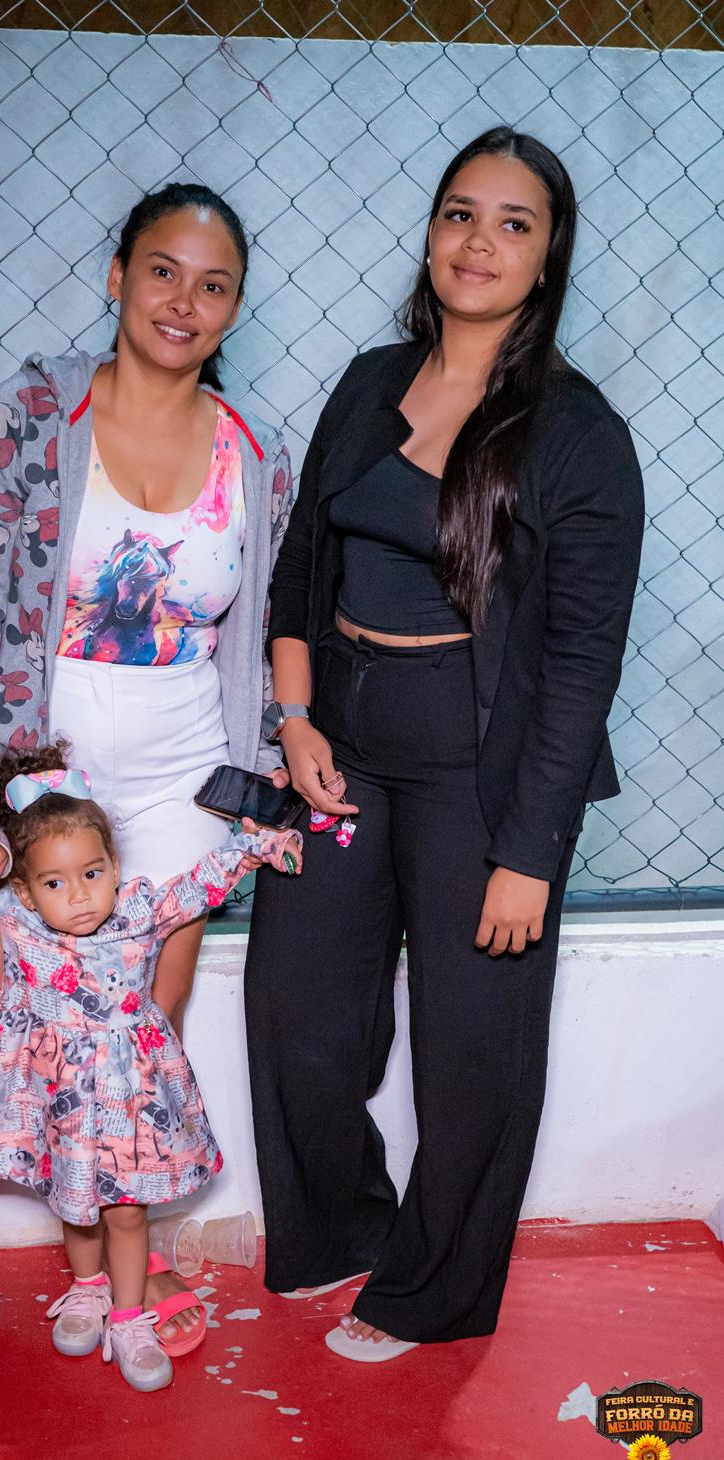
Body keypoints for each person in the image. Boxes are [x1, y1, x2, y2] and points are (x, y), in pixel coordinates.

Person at [0, 182, 294, 1392]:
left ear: (233, 307)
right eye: (162, 271)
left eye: (212, 284)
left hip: (183, 778)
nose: (183, 301)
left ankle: (108, 1268)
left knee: (135, 1043)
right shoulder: (34, 415)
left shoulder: (254, 452)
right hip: (36, 778)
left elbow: (259, 636)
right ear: (117, 276)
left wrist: (260, 781)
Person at [244, 127, 645, 1361]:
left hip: (483, 773)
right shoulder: (369, 379)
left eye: (513, 222)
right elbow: (301, 563)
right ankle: (343, 1225)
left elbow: (579, 660)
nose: (478, 242)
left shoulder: (576, 433)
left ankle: (434, 1288)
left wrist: (529, 851)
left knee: (472, 1046)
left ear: (547, 254)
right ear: (429, 234)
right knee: (296, 1004)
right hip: (339, 747)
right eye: (459, 213)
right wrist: (294, 718)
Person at [0, 740, 301, 1395]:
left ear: (115, 866)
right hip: (61, 1103)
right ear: (27, 892)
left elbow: (199, 883)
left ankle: (129, 1318)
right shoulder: (20, 919)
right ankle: (87, 1288)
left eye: (92, 873)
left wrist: (257, 847)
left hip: (129, 1102)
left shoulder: (140, 910)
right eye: (55, 883)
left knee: (126, 1212)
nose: (80, 896)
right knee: (74, 1201)